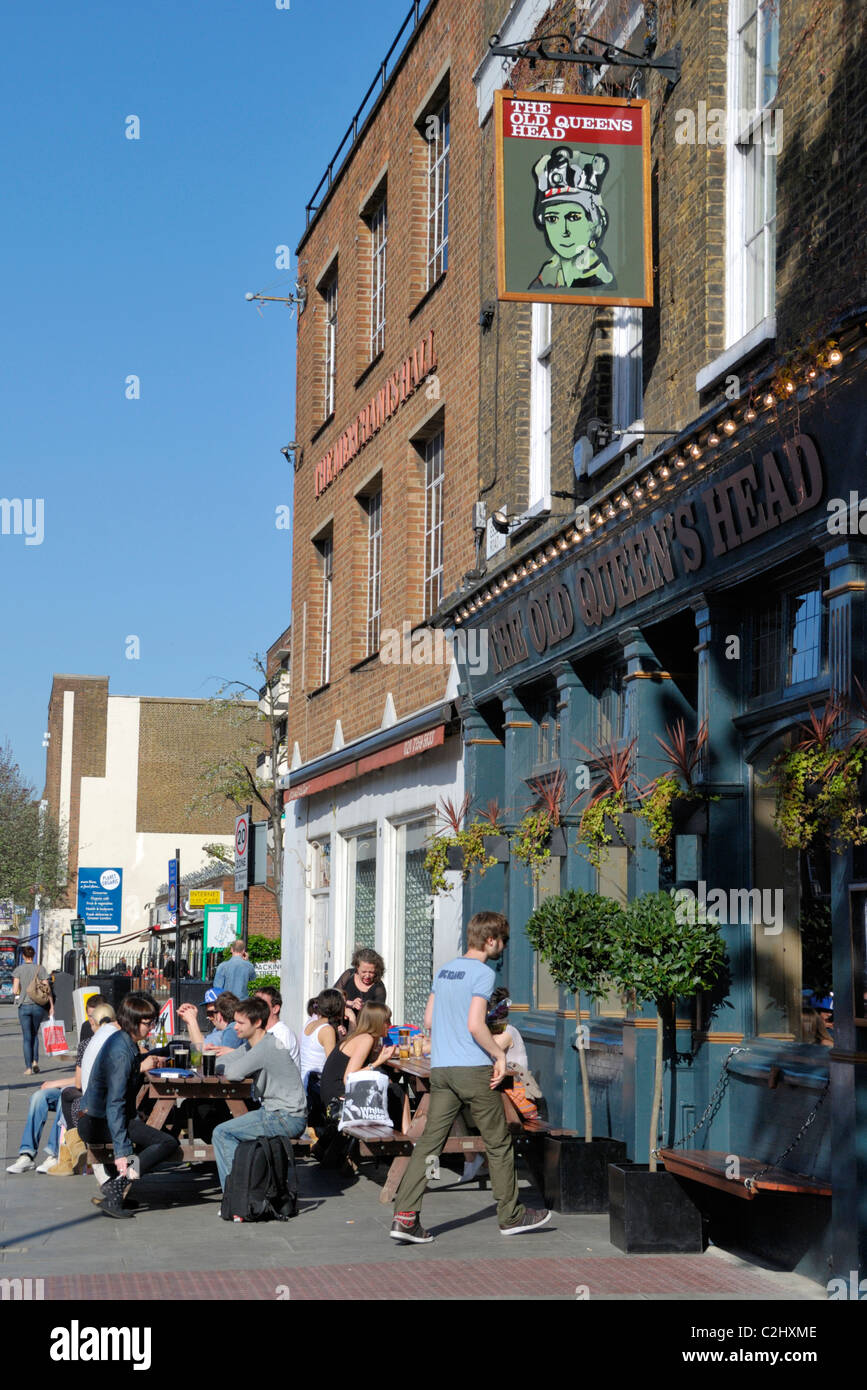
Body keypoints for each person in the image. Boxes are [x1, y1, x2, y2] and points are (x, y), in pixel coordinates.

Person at [390, 910, 551, 1244]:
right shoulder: (482, 973)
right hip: (472, 1070)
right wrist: (499, 1054)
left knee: (429, 1142)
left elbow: (429, 1019)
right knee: (498, 1141)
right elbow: (476, 1024)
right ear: (490, 940)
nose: (503, 947)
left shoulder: (445, 969)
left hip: (442, 1070)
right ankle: (511, 1215)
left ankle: (405, 1216)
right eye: (502, 940)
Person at [78, 992, 180, 1219]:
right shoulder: (122, 1052)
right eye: (148, 1023)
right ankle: (118, 1184)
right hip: (98, 1122)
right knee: (167, 1143)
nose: (151, 1027)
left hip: (101, 1118)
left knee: (154, 1135)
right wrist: (122, 1151)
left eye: (153, 1021)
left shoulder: (123, 1040)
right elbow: (114, 1103)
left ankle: (116, 1188)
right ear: (133, 1021)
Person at [211, 996, 307, 1193]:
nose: (235, 1027)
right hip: (278, 1112)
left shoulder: (265, 1047)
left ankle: (235, 1193)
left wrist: (224, 1065)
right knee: (225, 1130)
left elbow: (233, 1072)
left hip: (286, 1117)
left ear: (257, 1023)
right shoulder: (253, 1045)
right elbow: (225, 1061)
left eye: (240, 1023)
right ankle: (243, 1188)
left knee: (222, 1133)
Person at [527, 146, 616, 293]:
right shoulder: (546, 277)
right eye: (552, 219)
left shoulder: (601, 280)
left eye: (573, 217)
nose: (564, 230)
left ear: (595, 224)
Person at [319, 1002, 410, 1135]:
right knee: (397, 1091)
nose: (390, 1025)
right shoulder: (365, 1039)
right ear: (377, 1022)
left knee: (392, 1087)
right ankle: (405, 1138)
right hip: (337, 1099)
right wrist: (378, 1062)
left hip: (331, 1093)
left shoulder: (361, 1036)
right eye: (387, 1021)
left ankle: (404, 1136)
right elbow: (349, 1077)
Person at [13, 945, 54, 1074]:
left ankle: (28, 1068)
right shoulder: (40, 969)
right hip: (38, 1006)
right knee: (35, 1034)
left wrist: (20, 991)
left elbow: (14, 990)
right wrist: (51, 1006)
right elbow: (47, 989)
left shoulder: (18, 970)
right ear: (34, 955)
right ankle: (35, 1062)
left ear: (23, 956)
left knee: (27, 1037)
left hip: (24, 1006)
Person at [178, 991, 243, 1055]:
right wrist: (188, 1021)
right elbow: (196, 1048)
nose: (209, 1017)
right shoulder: (217, 1030)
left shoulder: (231, 1030)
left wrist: (192, 1020)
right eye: (207, 1013)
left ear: (219, 1014)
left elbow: (202, 1053)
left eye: (211, 1013)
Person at [254, 986, 301, 1069]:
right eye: (254, 1004)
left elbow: (272, 1066)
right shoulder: (262, 1031)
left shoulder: (282, 1034)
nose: (255, 1008)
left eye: (262, 1004)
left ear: (275, 1009)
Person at [333, 948, 387, 1016]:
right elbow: (332, 998)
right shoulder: (349, 975)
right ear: (357, 967)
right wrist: (349, 1003)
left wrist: (364, 1007)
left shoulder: (379, 987)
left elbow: (378, 1014)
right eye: (364, 972)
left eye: (371, 972)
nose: (367, 976)